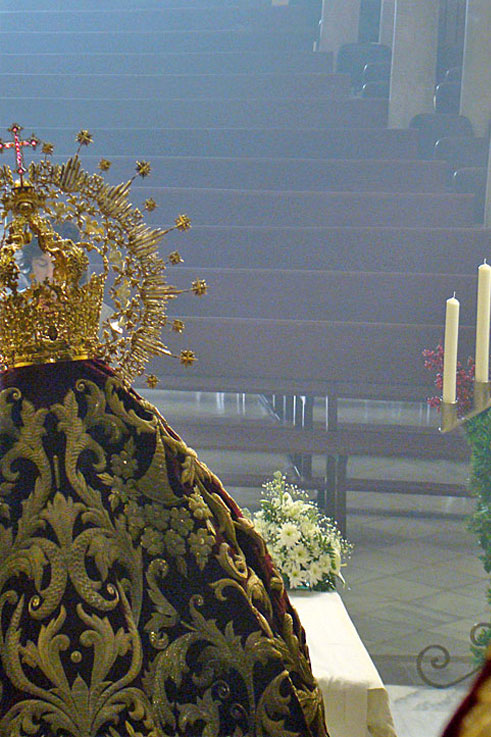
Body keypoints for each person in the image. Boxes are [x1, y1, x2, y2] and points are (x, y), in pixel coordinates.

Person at [0, 156, 328, 736]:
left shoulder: (94, 408)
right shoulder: (112, 410)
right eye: (35, 269)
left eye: (47, 266)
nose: (42, 275)